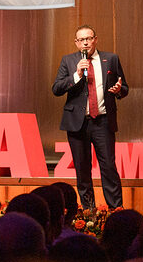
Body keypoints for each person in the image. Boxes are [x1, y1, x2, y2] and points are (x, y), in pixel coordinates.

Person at [52, 25, 129, 210]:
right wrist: (77, 74)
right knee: (82, 170)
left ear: (95, 39)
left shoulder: (111, 59)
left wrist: (119, 91)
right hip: (78, 124)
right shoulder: (68, 61)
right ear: (76, 43)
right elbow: (56, 89)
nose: (86, 42)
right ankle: (89, 213)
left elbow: (124, 87)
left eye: (89, 38)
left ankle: (115, 211)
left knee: (109, 167)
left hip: (102, 121)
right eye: (81, 40)